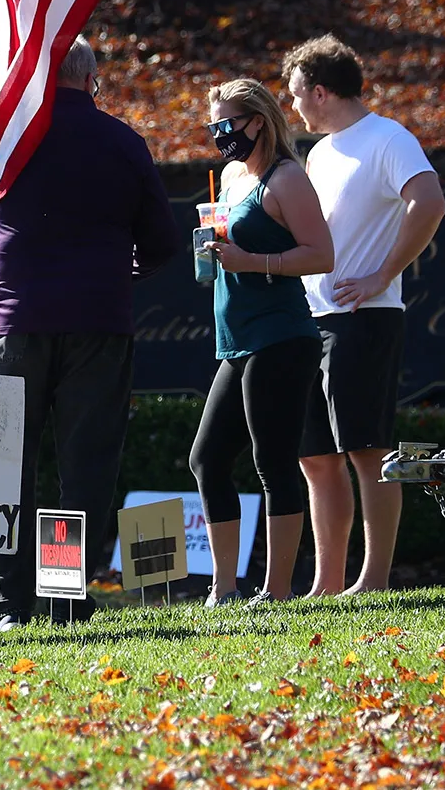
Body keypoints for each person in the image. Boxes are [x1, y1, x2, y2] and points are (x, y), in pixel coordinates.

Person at [0, 39, 177, 630]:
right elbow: (162, 243)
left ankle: (11, 602)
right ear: (92, 81)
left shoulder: (2, 135)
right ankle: (64, 599)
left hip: (17, 324)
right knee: (81, 469)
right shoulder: (123, 142)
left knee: (3, 463)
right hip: (99, 326)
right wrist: (119, 268)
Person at [283, 35, 445, 595]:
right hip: (311, 321)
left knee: (367, 450)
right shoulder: (320, 152)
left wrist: (382, 274)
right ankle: (328, 584)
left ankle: (373, 580)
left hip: (365, 316)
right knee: (315, 458)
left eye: (296, 94)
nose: (294, 106)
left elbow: (430, 201)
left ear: (319, 90)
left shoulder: (387, 137)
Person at [188, 79, 333, 606]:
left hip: (281, 335)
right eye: (214, 127)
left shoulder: (287, 179)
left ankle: (275, 591)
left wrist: (255, 263)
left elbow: (321, 254)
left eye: (227, 125)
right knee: (206, 459)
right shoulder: (229, 177)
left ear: (259, 121)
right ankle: (223, 589)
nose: (220, 136)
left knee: (274, 461)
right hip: (237, 339)